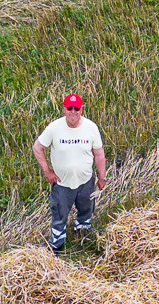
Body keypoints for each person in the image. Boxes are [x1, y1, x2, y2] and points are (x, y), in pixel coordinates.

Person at [32, 93, 107, 254]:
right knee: (59, 217)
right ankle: (57, 247)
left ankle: (83, 236)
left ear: (81, 110)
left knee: (86, 211)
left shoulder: (91, 128)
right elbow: (37, 148)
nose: (73, 111)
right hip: (62, 185)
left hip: (86, 182)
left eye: (76, 108)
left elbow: (99, 154)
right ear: (64, 110)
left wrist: (101, 177)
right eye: (69, 108)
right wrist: (47, 171)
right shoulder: (54, 128)